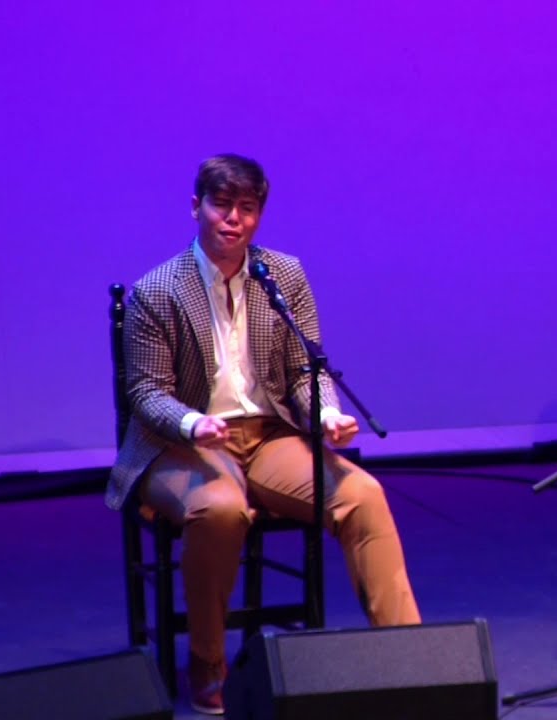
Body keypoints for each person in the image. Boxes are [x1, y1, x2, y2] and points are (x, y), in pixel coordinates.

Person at [107, 153, 421, 715]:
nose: (232, 219)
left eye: (246, 209)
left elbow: (306, 372)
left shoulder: (283, 275)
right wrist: (192, 422)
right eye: (221, 205)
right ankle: (208, 662)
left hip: (269, 434)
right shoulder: (157, 290)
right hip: (180, 442)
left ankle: (412, 659)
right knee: (222, 510)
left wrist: (324, 414)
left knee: (362, 495)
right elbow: (145, 393)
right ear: (195, 207)